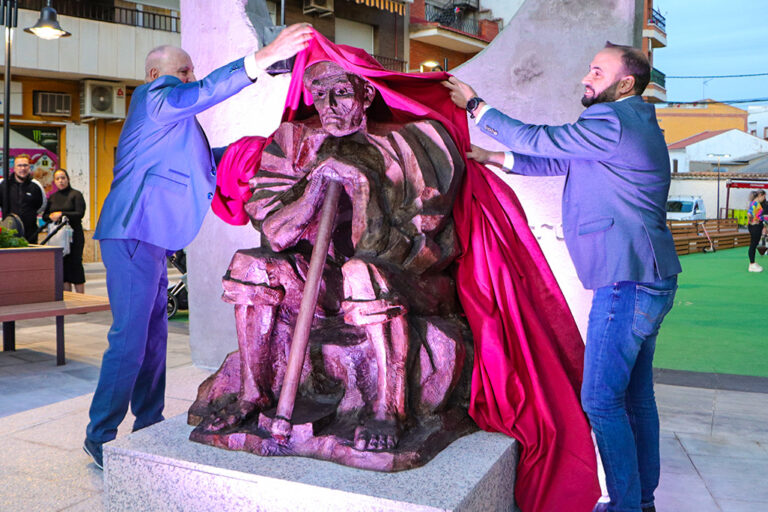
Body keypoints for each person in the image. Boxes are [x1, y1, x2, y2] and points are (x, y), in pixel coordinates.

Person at [444, 41, 681, 512]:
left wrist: (476, 106)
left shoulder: (612, 119)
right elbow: (559, 159)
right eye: (589, 69)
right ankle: (641, 502)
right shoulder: (632, 121)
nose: (585, 78)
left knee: (601, 401)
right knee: (635, 399)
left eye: (597, 72)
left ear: (625, 83)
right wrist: (494, 158)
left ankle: (626, 506)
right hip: (647, 276)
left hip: (626, 280)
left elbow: (542, 141)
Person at [201, 61, 467, 451]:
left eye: (341, 93)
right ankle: (253, 393)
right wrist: (313, 188)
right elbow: (275, 235)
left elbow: (394, 250)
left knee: (361, 272)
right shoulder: (294, 143)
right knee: (250, 265)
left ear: (367, 94)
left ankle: (389, 409)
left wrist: (360, 183)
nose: (328, 106)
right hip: (322, 279)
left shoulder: (408, 146)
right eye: (319, 95)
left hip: (400, 280)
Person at [82, 23, 314, 470]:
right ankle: (100, 437)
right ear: (155, 75)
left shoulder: (173, 127)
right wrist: (263, 57)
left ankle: (148, 423)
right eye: (183, 72)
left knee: (153, 340)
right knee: (129, 341)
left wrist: (264, 150)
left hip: (151, 240)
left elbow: (209, 163)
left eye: (191, 72)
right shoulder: (152, 99)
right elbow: (205, 92)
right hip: (132, 233)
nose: (190, 78)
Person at [43, 169, 86, 293]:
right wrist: (51, 216)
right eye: (57, 179)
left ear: (68, 179)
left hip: (74, 236)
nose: (60, 181)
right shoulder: (53, 197)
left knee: (75, 264)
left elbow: (80, 213)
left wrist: (62, 214)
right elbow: (45, 216)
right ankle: (68, 297)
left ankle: (81, 298)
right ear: (54, 181)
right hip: (58, 236)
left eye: (63, 178)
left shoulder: (76, 194)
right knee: (63, 265)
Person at [0, 154, 46, 243]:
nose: (22, 168)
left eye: (25, 165)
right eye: (19, 165)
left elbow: (42, 206)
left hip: (30, 234)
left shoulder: (36, 186)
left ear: (29, 167)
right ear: (14, 168)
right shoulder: (4, 185)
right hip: (8, 233)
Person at [746, 190, 766, 272]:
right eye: (764, 196)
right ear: (760, 195)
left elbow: (758, 215)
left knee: (754, 244)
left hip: (756, 226)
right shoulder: (755, 203)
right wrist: (752, 222)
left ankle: (753, 263)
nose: (764, 198)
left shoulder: (755, 203)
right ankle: (752, 264)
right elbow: (749, 213)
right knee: (753, 245)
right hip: (755, 227)